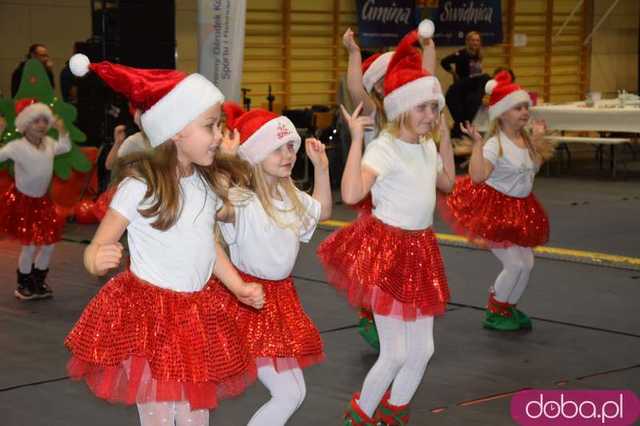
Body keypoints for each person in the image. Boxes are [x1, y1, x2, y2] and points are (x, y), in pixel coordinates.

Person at [64, 53, 265, 426]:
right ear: (176, 131)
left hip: (195, 315)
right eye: (211, 126)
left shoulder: (204, 184)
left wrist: (237, 286)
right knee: (159, 416)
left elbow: (209, 245)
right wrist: (96, 257)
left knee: (195, 417)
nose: (219, 135)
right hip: (151, 317)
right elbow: (97, 245)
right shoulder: (139, 186)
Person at [317, 30, 455, 425]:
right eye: (423, 108)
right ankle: (359, 414)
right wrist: (357, 139)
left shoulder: (426, 144)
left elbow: (448, 183)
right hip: (387, 250)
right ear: (400, 109)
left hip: (421, 250)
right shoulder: (386, 147)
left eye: (435, 106)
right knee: (394, 352)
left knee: (423, 350)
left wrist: (443, 138)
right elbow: (351, 193)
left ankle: (392, 414)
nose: (430, 115)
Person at [211, 103, 332, 425]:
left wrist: (321, 168)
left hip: (279, 302)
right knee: (288, 394)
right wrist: (224, 160)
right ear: (254, 157)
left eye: (291, 146)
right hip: (247, 303)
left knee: (294, 393)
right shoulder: (242, 200)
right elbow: (215, 205)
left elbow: (323, 210)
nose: (288, 155)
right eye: (276, 149)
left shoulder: (292, 197)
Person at [441, 70, 555, 331]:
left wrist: (538, 140)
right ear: (502, 113)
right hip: (494, 211)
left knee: (527, 264)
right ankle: (495, 310)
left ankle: (508, 308)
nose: (525, 112)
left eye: (526, 106)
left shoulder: (525, 140)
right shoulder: (495, 145)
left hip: (521, 208)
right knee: (514, 263)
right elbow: (478, 176)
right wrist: (478, 145)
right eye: (517, 108)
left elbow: (531, 169)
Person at [0, 99, 70, 300]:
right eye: (35, 121)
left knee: (49, 244)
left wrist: (62, 130)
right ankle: (23, 284)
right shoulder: (16, 147)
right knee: (29, 245)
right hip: (23, 202)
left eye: (44, 121)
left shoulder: (49, 143)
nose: (41, 125)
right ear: (24, 125)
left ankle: (38, 281)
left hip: (42, 202)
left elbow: (64, 147)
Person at [441, 31, 490, 138]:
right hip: (461, 89)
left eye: (477, 40)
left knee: (468, 115)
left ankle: (463, 134)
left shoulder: (478, 55)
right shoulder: (461, 54)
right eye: (473, 40)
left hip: (473, 89)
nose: (475, 43)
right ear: (468, 41)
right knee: (460, 116)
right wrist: (453, 72)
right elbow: (444, 62)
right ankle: (457, 135)